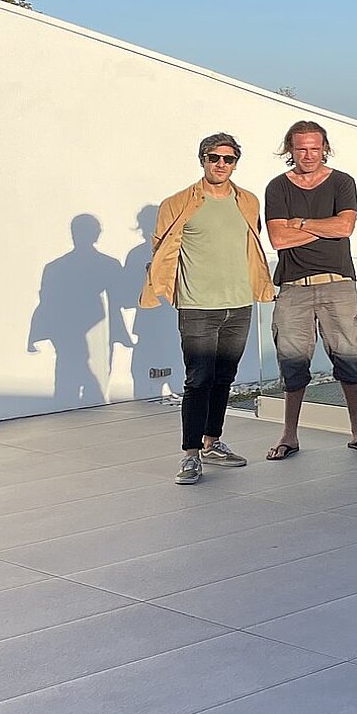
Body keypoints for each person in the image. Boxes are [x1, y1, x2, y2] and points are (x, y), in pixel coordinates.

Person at [139, 133, 275, 485]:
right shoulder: (177, 203)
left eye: (228, 159)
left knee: (224, 378)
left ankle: (212, 442)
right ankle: (190, 454)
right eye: (214, 157)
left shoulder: (247, 201)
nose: (220, 164)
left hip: (239, 304)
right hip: (197, 306)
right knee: (198, 380)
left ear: (235, 163)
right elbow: (162, 250)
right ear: (202, 160)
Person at [264, 121, 357, 458]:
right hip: (293, 287)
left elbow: (345, 227)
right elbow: (278, 238)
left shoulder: (342, 182)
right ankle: (289, 435)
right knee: (292, 362)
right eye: (301, 148)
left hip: (337, 283)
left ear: (325, 148)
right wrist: (325, 228)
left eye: (315, 148)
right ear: (290, 150)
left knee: (348, 358)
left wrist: (300, 223)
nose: (309, 155)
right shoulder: (278, 187)